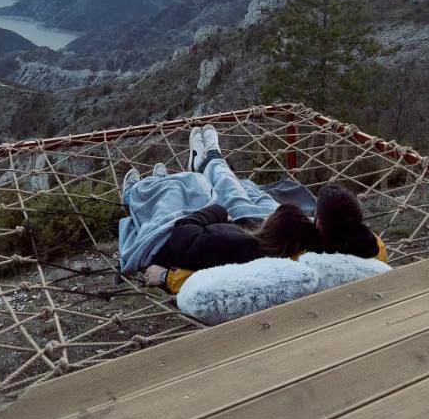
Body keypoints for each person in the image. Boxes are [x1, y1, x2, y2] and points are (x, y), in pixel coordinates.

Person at [119, 125, 386, 295]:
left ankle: (208, 162)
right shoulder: (371, 247)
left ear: (320, 226)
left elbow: (229, 282)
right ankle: (210, 161)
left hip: (271, 238)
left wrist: (169, 278)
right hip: (284, 230)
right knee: (242, 191)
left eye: (316, 215)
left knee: (227, 194)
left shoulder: (291, 267)